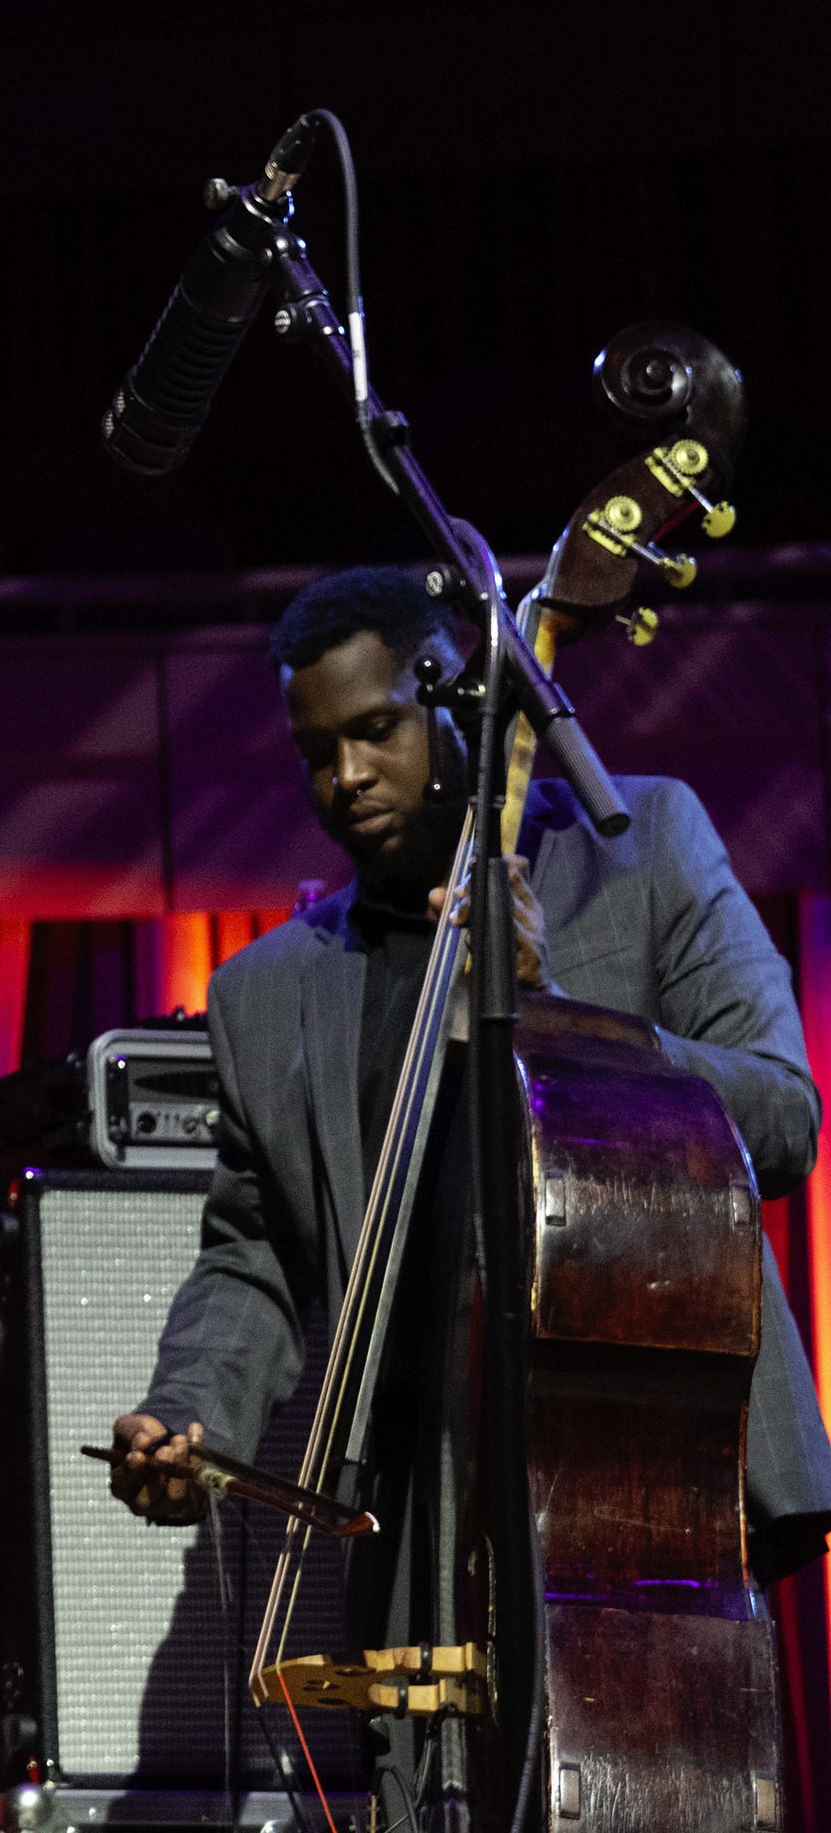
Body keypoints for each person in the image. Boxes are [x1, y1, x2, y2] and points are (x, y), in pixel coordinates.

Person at [107, 565, 831, 1668]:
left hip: (651, 1490)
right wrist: (189, 1414)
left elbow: (780, 1121)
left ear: (454, 703)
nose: (347, 776)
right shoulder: (264, 993)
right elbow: (255, 1256)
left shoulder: (642, 850)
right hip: (413, 1525)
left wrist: (559, 1018)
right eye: (315, 751)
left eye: (376, 730)